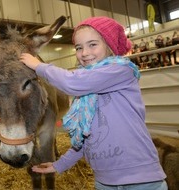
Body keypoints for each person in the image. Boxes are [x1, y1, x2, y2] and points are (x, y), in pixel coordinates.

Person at [20, 17, 167, 189]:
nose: (84, 52)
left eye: (92, 44)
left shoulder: (121, 70)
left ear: (110, 46)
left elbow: (72, 83)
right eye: (78, 47)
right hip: (104, 181)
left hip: (141, 180)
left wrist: (38, 66)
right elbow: (86, 139)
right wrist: (58, 165)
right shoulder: (84, 97)